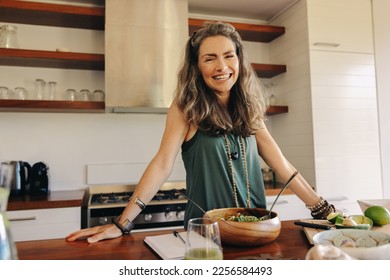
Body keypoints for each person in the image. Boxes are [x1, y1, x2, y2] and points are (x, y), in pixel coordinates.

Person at [66, 21, 335, 244]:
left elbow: (283, 166)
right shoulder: (186, 108)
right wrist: (122, 224)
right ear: (197, 67)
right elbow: (161, 165)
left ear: (239, 60)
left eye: (229, 56)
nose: (222, 66)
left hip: (254, 230)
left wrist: (324, 210)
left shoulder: (250, 109)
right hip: (206, 234)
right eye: (210, 58)